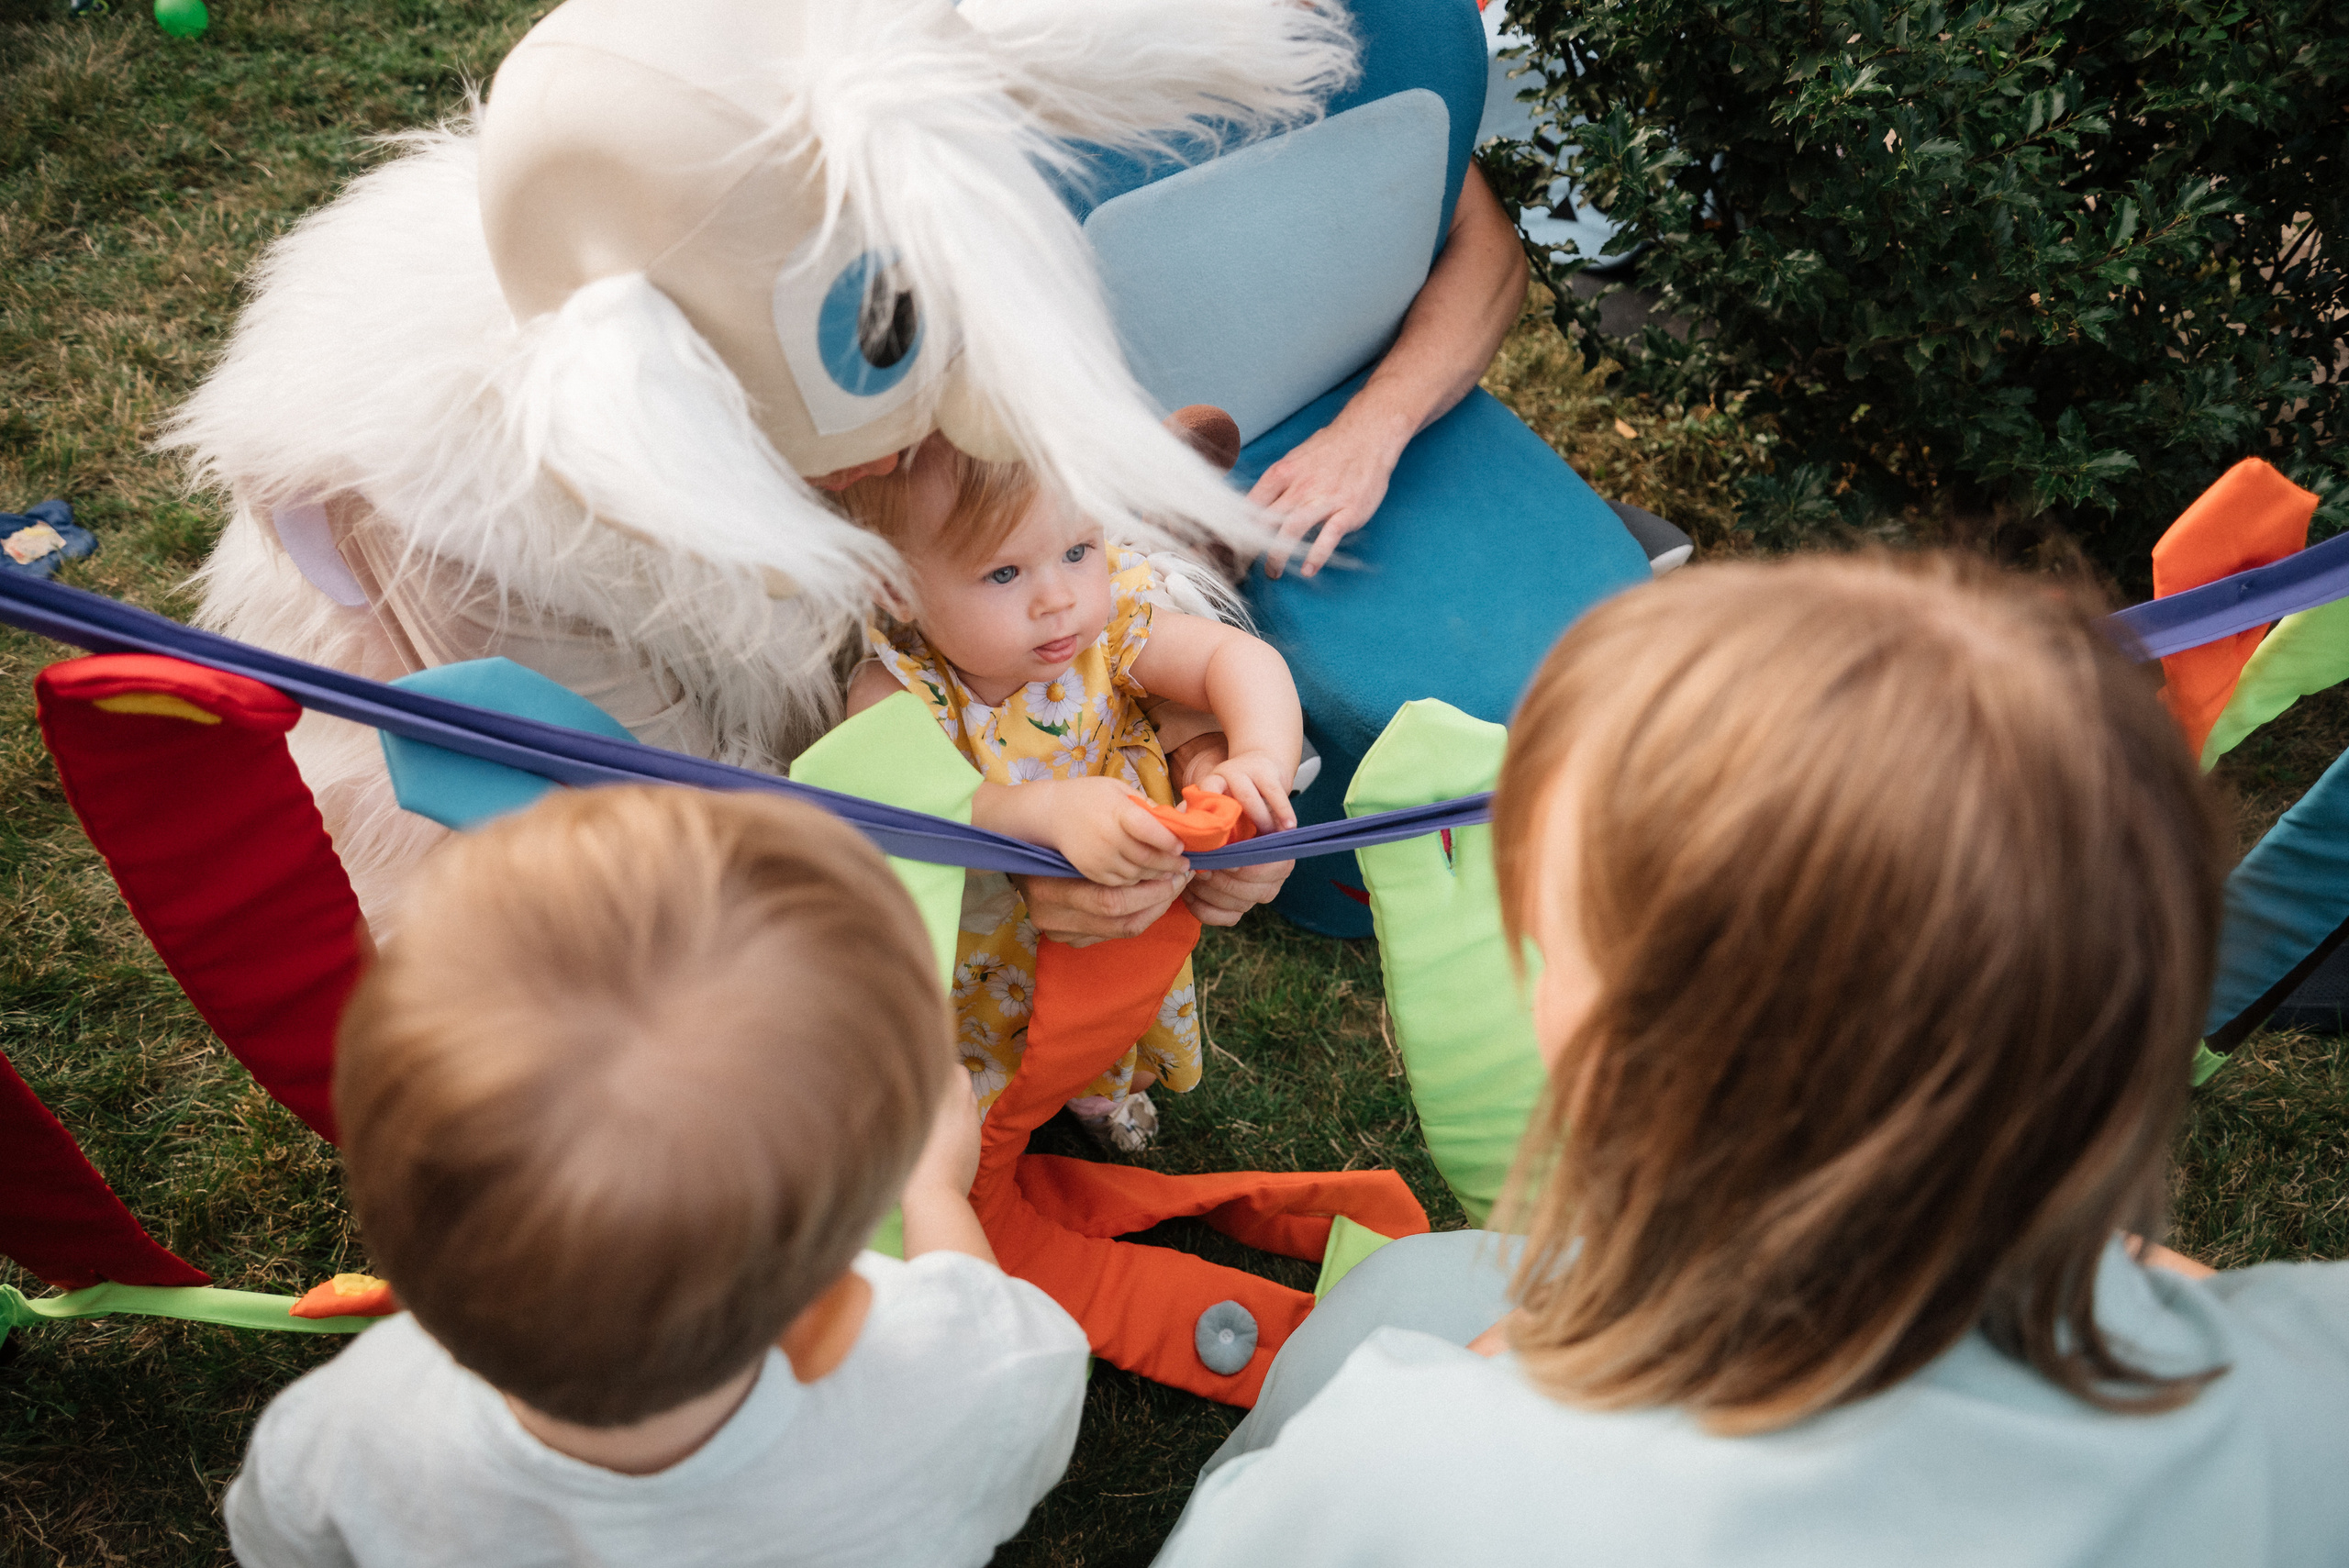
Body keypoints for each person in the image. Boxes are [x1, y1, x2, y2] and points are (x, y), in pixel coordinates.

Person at [1158, 552, 2349, 1565]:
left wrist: (1494, 1377)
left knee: (1390, 1299)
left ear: (1639, 1058)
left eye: (1548, 918)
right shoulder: (2311, 1387)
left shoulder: (1408, 1470)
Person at [222, 786, 1088, 1568]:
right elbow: (1023, 1364)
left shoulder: (339, 1440)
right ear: (825, 1324)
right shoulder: (966, 1383)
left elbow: (285, 1547)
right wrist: (933, 1191)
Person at [839, 435, 1302, 1147]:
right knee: (997, 1063)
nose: (1058, 599)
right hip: (984, 950)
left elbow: (1236, 660)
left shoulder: (1105, 633)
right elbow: (912, 804)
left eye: (1078, 550)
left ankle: (1104, 1094)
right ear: (895, 587)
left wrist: (1261, 759)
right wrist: (1037, 812)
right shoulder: (894, 689)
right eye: (1003, 573)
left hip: (1120, 910)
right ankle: (1002, 1128)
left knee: (1110, 1014)